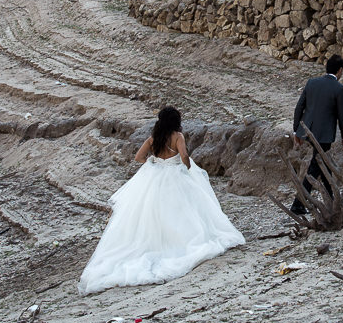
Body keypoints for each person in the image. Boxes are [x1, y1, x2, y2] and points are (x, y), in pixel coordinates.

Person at [78, 106, 245, 295]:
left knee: (152, 212)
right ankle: (181, 240)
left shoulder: (153, 139)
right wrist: (188, 168)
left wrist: (154, 162)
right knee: (183, 210)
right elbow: (184, 156)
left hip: (155, 177)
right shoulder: (178, 137)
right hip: (175, 176)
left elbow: (138, 157)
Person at [290, 54, 343, 215]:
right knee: (317, 165)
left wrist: (297, 131)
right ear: (340, 70)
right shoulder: (339, 89)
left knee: (323, 166)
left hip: (308, 130)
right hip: (324, 134)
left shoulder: (312, 83)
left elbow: (299, 107)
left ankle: (331, 201)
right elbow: (342, 116)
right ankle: (298, 203)